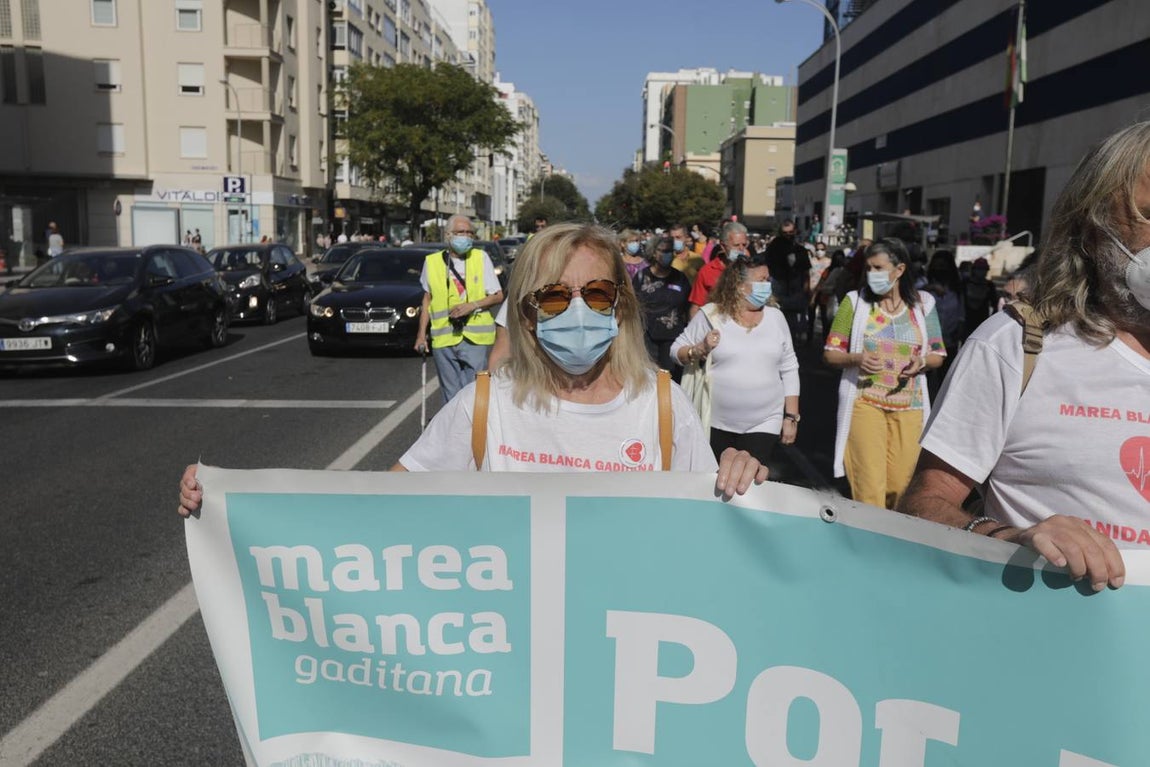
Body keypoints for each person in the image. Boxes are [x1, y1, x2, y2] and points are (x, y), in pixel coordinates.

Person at [179, 224, 769, 514]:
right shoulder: (486, 406)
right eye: (556, 298)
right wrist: (233, 503)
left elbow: (718, 534)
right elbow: (377, 510)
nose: (579, 312)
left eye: (595, 294)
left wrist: (744, 480)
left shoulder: (664, 409)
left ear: (621, 305)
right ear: (529, 316)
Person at [897, 124, 1150, 593]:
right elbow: (922, 507)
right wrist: (1012, 538)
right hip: (1048, 645)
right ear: (1095, 226)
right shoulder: (1017, 345)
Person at [823, 238, 946, 509]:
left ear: (899, 270)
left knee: (900, 488)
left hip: (910, 407)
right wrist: (856, 359)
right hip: (865, 404)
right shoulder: (854, 303)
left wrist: (922, 361)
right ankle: (868, 546)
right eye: (868, 268)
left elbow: (939, 354)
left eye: (878, 268)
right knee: (869, 489)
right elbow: (830, 353)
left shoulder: (924, 304)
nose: (871, 275)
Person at [673, 252, 799, 465]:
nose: (767, 285)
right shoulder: (712, 315)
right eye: (761, 281)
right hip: (714, 421)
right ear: (740, 286)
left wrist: (791, 417)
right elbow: (676, 351)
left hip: (765, 421)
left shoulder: (776, 317)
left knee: (748, 484)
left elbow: (789, 366)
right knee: (716, 482)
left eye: (768, 279)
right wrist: (700, 348)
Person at [414, 215, 503, 403]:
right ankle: (453, 430)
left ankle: (471, 429)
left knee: (472, 390)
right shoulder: (432, 262)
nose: (466, 236)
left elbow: (498, 295)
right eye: (460, 232)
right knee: (450, 393)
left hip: (474, 337)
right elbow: (427, 300)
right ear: (448, 235)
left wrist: (472, 305)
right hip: (443, 337)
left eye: (470, 233)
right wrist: (421, 334)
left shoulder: (481, 258)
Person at [633, 233, 691, 380]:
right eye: (663, 251)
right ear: (653, 252)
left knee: (671, 381)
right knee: (648, 380)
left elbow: (688, 307)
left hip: (673, 338)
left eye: (670, 251)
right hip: (647, 338)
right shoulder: (641, 277)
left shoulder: (680, 278)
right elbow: (632, 306)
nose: (668, 255)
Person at [687, 221, 749, 319]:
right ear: (723, 246)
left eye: (744, 245)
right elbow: (696, 307)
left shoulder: (751, 269)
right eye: (736, 245)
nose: (741, 249)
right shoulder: (707, 271)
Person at [765, 220, 812, 343]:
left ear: (795, 231)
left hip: (796, 288)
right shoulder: (774, 247)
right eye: (785, 233)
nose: (788, 235)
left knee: (793, 322)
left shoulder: (801, 250)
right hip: (777, 286)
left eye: (791, 232)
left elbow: (806, 272)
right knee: (776, 317)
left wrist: (807, 289)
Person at [960, 256, 998, 339]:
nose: (982, 272)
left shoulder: (990, 285)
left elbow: (995, 304)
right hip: (966, 321)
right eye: (979, 269)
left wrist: (990, 322)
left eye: (984, 269)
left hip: (982, 321)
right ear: (974, 270)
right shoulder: (965, 283)